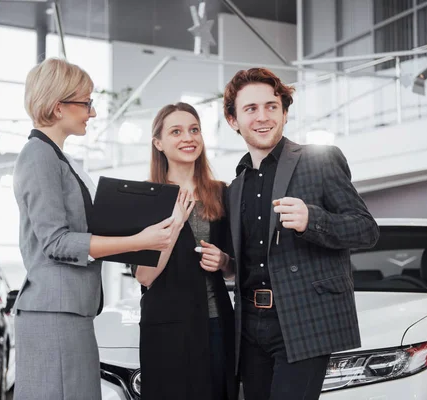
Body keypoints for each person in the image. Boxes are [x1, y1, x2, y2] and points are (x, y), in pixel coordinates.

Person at [12, 58, 174, 400]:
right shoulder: (38, 156)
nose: (93, 112)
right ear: (58, 107)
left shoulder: (57, 157)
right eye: (86, 103)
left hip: (70, 310)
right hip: (53, 312)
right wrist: (136, 240)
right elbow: (56, 242)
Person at [222, 68, 380, 400]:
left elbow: (366, 230)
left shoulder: (318, 161)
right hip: (248, 324)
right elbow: (249, 260)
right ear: (233, 120)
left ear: (284, 113)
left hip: (303, 319)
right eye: (251, 109)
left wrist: (313, 220)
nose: (263, 116)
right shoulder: (235, 187)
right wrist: (225, 262)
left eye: (271, 106)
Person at [133, 102, 237, 400]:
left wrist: (224, 261)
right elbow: (145, 276)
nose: (188, 138)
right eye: (176, 131)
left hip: (216, 322)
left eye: (194, 130)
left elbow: (235, 266)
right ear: (159, 143)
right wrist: (176, 224)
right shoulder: (147, 196)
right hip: (168, 327)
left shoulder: (221, 192)